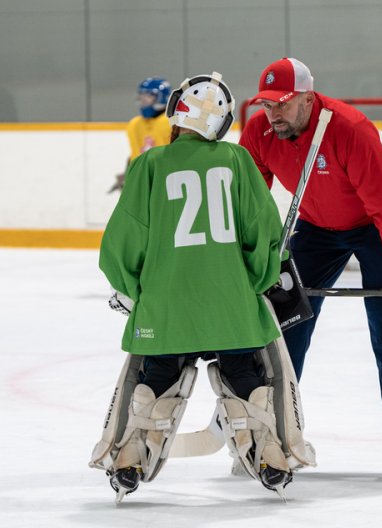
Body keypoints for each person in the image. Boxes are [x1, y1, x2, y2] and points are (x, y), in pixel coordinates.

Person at [91, 71, 307, 502]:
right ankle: (269, 453)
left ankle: (131, 453)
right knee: (247, 373)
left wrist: (136, 289)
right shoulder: (237, 160)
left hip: (167, 308)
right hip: (231, 306)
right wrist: (256, 282)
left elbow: (120, 245)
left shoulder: (150, 164)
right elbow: (264, 235)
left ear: (177, 111)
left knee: (155, 375)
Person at [238, 57, 382, 480]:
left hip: (375, 220)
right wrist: (244, 260)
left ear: (308, 99)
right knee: (283, 318)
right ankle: (273, 427)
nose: (273, 114)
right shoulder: (259, 132)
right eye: (268, 104)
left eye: (284, 104)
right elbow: (249, 204)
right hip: (317, 224)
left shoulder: (349, 128)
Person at [108, 77, 172, 193]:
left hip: (166, 183)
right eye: (141, 96)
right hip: (142, 183)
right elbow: (135, 156)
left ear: (162, 98)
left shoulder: (170, 123)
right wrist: (127, 175)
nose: (143, 100)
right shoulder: (134, 124)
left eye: (148, 96)